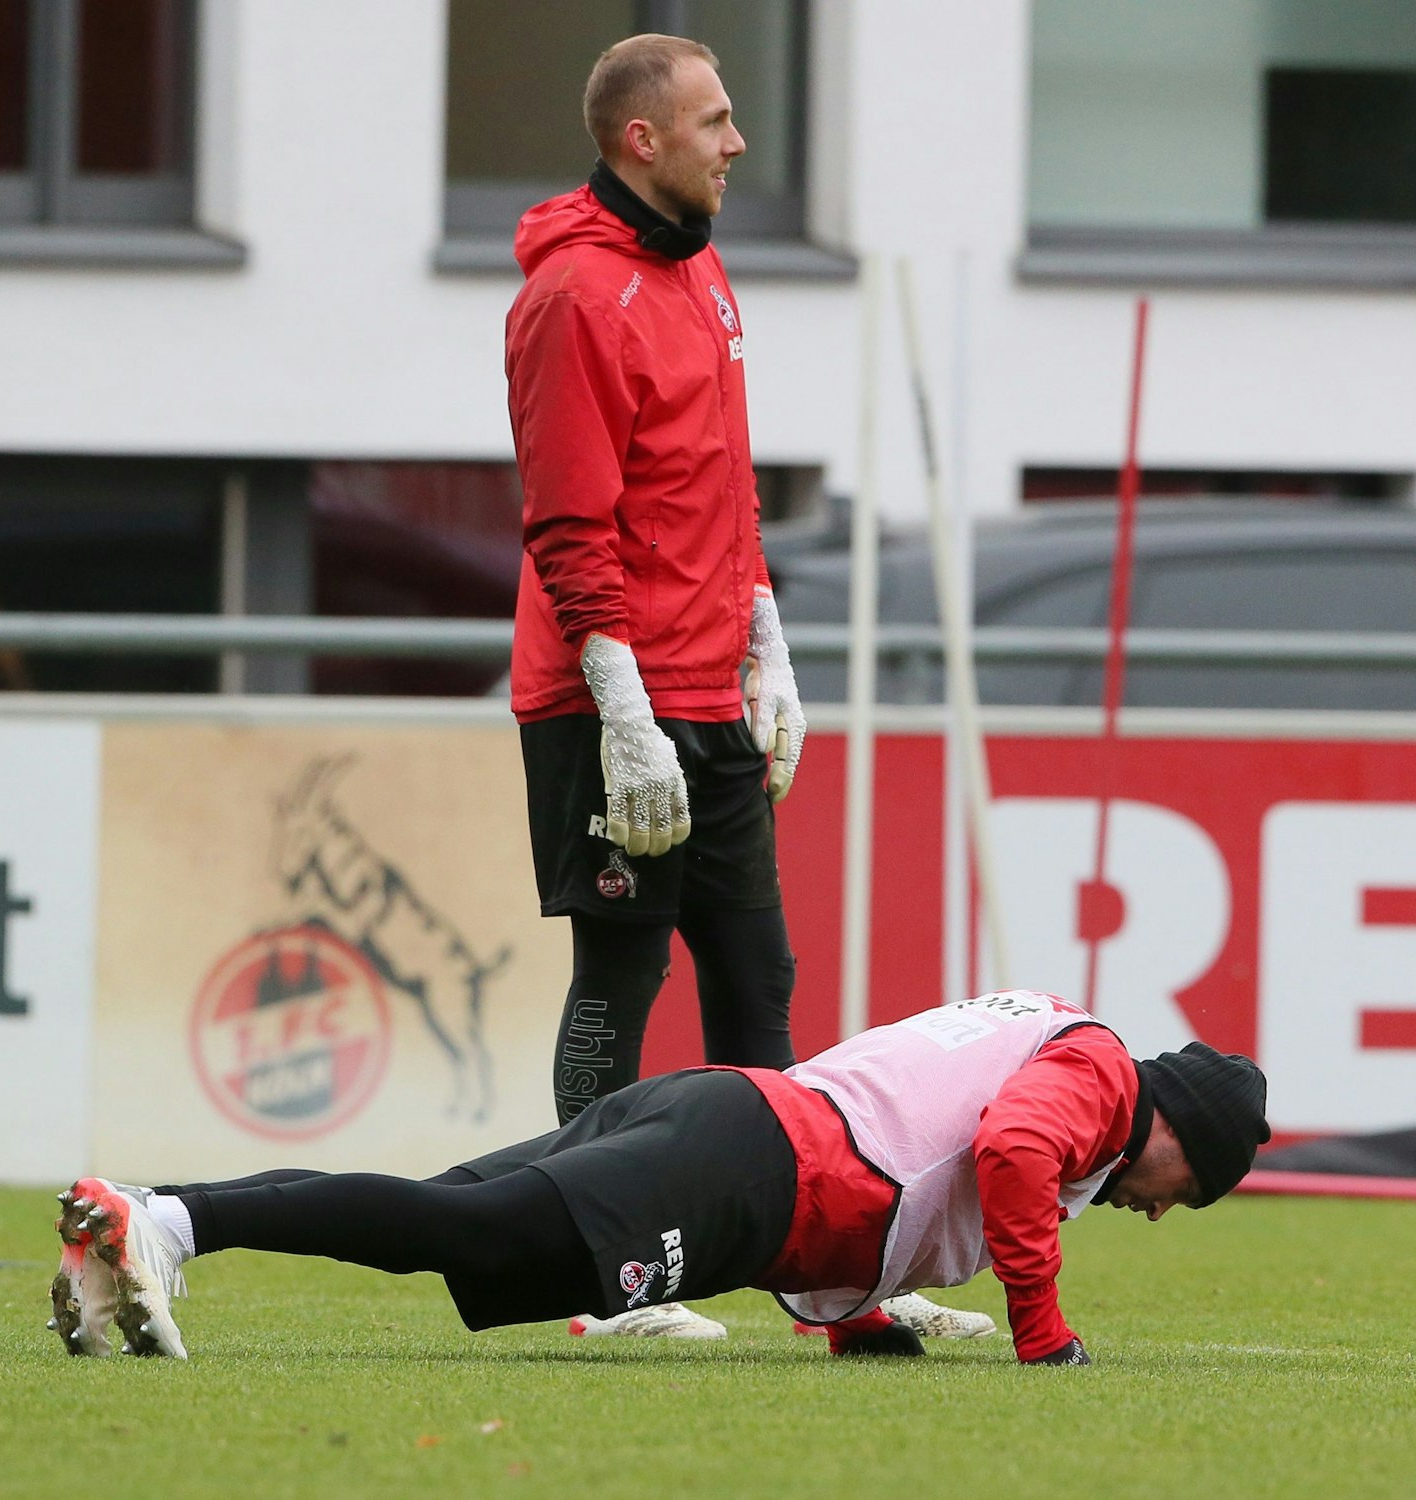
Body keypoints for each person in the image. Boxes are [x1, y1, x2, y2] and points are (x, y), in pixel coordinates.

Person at [45, 991, 1271, 1366]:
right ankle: (164, 1221)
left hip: (731, 1119)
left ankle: (146, 1222)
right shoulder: (1104, 1081)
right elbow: (1004, 1152)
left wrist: (857, 1321)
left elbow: (912, 1144)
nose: (1159, 1208)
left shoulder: (1051, 1024)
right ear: (1180, 1129)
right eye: (1186, 1186)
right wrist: (1042, 1336)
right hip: (744, 1165)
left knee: (442, 1212)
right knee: (457, 1229)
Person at [502, 33, 818, 1337]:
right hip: (608, 699)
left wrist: (764, 637)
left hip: (706, 683)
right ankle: (602, 1275)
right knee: (619, 976)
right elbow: (567, 524)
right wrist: (621, 710)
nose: (737, 142)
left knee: (757, 975)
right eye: (714, 120)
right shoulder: (572, 297)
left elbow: (720, 483)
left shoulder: (702, 271)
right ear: (645, 140)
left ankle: (806, 1261)